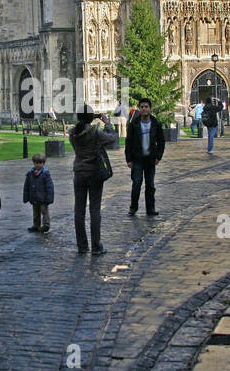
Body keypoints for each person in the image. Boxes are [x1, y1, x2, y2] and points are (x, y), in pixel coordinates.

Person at [69, 105, 116, 255]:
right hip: (94, 173)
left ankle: (82, 246)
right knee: (95, 210)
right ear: (91, 117)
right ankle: (96, 246)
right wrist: (107, 123)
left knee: (79, 211)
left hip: (79, 173)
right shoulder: (95, 132)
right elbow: (112, 139)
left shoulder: (73, 133)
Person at [125, 97, 165, 215]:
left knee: (150, 185)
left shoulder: (155, 123)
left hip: (150, 158)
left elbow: (161, 141)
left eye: (146, 107)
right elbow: (129, 142)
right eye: (142, 107)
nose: (144, 109)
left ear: (150, 109)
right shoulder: (134, 124)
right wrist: (129, 159)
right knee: (136, 183)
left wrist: (158, 156)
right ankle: (133, 207)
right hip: (137, 158)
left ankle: (150, 208)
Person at [24, 152, 54, 232]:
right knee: (35, 213)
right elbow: (26, 186)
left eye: (40, 163)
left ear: (43, 163)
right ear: (34, 163)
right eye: (36, 163)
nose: (38, 165)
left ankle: (46, 225)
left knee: (44, 212)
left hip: (43, 198)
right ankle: (36, 225)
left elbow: (50, 187)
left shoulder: (45, 173)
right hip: (34, 197)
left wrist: (49, 198)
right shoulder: (30, 173)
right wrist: (26, 197)